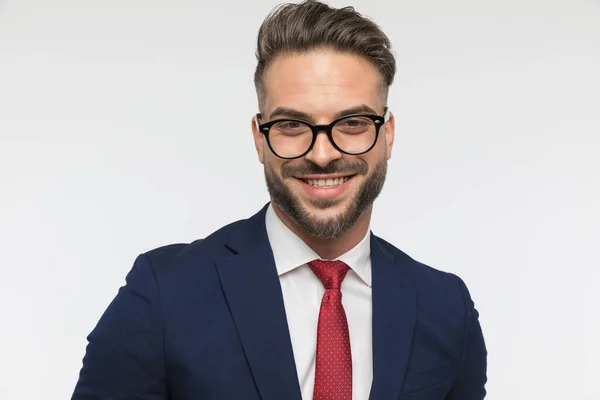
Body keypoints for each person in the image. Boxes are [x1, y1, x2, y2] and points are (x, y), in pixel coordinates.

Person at [72, 1, 487, 399]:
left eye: (354, 122)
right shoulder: (163, 295)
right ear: (259, 137)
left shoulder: (446, 308)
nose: (322, 155)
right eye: (291, 124)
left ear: (387, 134)